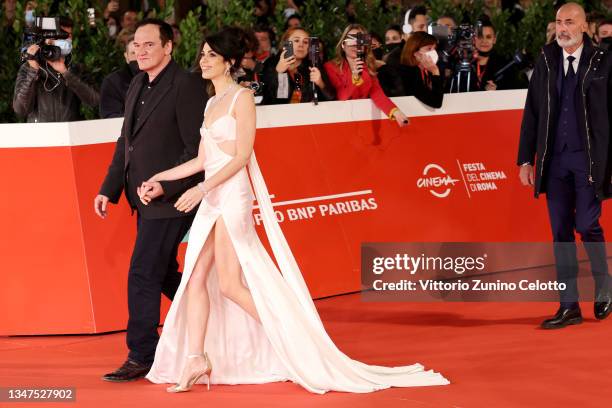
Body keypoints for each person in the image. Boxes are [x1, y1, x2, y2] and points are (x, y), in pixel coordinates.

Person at [143, 26, 449, 394]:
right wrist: (161, 178)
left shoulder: (241, 98)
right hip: (211, 197)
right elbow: (203, 159)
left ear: (228, 61)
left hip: (232, 196)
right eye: (203, 55)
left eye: (210, 55)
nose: (202, 61)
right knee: (194, 279)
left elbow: (241, 157)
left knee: (229, 284)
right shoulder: (211, 104)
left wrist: (202, 187)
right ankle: (196, 358)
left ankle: (292, 340)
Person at [96, 18, 207, 382]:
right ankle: (213, 318)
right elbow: (124, 141)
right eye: (136, 46)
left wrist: (167, 186)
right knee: (162, 272)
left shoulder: (186, 86)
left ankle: (142, 353)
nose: (140, 51)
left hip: (171, 200)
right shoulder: (136, 84)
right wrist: (109, 188)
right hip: (141, 198)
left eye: (148, 45)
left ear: (168, 47)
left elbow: (197, 150)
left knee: (143, 272)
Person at [517, 3, 612, 329]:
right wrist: (526, 159)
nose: (562, 28)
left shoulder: (603, 62)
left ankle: (604, 283)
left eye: (569, 22)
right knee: (560, 233)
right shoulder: (546, 59)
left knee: (586, 225)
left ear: (584, 27)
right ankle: (569, 305)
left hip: (589, 159)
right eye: (559, 22)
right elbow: (532, 112)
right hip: (554, 160)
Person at [12, 17, 99, 122]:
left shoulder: (76, 68)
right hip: (41, 134)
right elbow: (20, 109)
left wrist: (66, 73)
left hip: (69, 133)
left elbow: (94, 100)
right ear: (48, 39)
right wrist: (33, 71)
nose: (68, 39)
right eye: (63, 36)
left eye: (70, 36)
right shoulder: (29, 67)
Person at [324, 24, 409, 127]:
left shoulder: (368, 68)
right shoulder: (330, 67)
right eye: (351, 39)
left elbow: (377, 93)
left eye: (360, 41)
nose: (356, 45)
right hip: (340, 122)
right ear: (343, 44)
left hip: (363, 121)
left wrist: (395, 112)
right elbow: (341, 96)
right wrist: (355, 77)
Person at [262, 27, 335, 104]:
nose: (301, 45)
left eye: (306, 42)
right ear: (286, 44)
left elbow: (332, 98)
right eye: (296, 40)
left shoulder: (313, 64)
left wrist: (320, 83)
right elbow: (276, 101)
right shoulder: (271, 64)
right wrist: (280, 73)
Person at [379, 32, 444, 108]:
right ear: (415, 52)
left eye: (434, 49)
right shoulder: (407, 72)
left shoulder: (427, 71)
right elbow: (436, 102)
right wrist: (435, 72)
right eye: (429, 48)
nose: (433, 52)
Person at [99, 36, 140, 118]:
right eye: (133, 53)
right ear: (126, 57)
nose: (138, 57)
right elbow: (110, 116)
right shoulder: (113, 82)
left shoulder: (163, 78)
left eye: (140, 52)